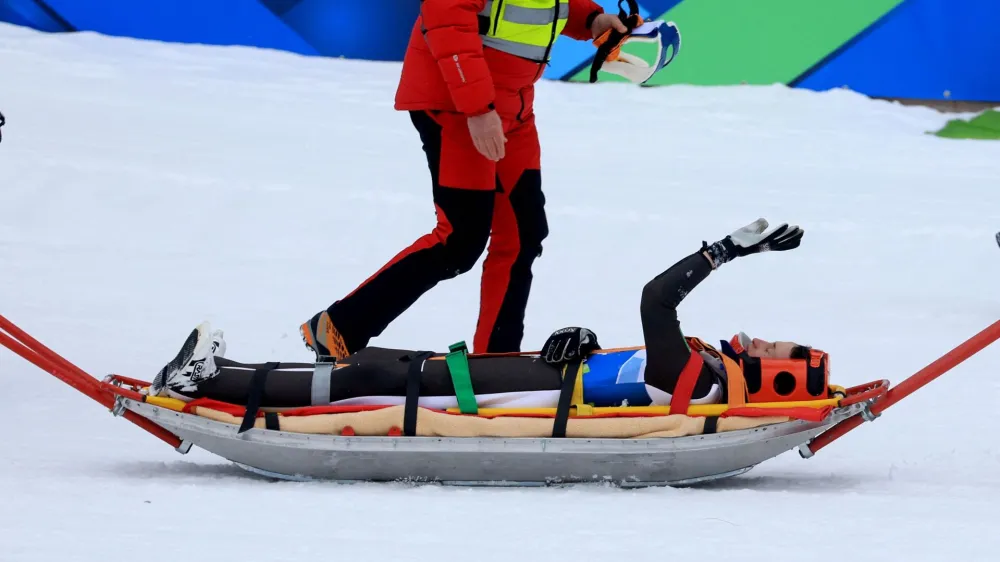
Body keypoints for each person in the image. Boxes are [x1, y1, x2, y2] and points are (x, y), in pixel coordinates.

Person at [149, 218, 813, 411]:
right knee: (373, 367)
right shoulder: (697, 372)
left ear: (770, 377)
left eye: (777, 349)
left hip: (517, 394)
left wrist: (724, 251)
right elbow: (631, 373)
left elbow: (654, 301)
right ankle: (219, 372)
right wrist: (585, 343)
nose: (766, 338)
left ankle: (204, 382)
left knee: (367, 376)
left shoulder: (704, 383)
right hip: (531, 378)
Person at [298, 0, 634, 362]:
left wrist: (592, 19)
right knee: (459, 240)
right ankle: (337, 329)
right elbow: (446, 15)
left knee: (522, 235)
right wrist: (478, 108)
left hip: (512, 106)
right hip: (456, 104)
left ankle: (496, 362)